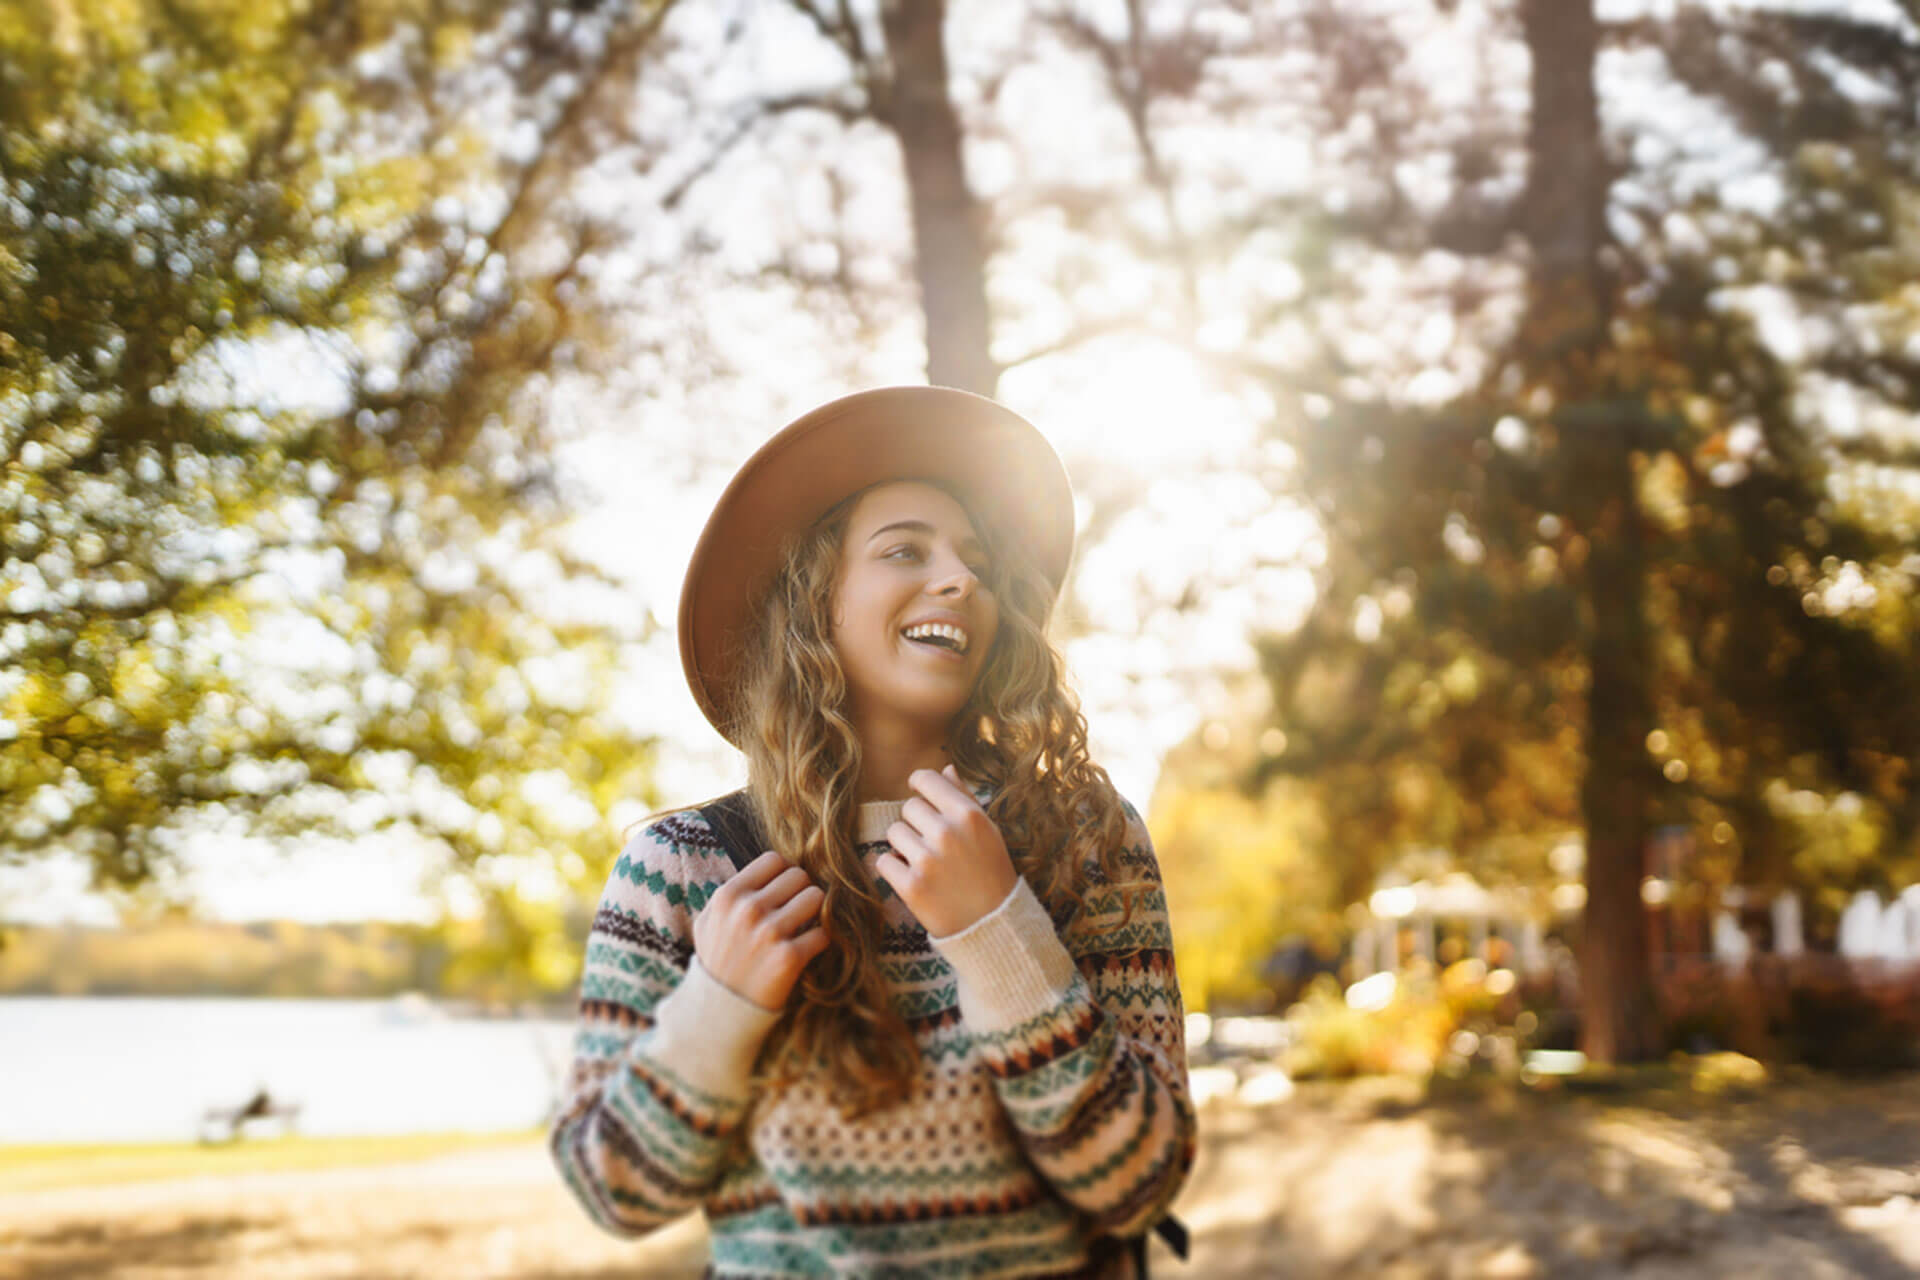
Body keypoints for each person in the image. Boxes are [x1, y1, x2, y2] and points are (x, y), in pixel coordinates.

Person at [549, 386, 1196, 1277]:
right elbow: (613, 1190)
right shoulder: (679, 869)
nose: (961, 579)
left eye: (975, 559)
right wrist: (719, 1006)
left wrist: (999, 934)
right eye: (904, 550)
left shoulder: (1084, 837)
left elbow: (1143, 1182)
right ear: (814, 605)